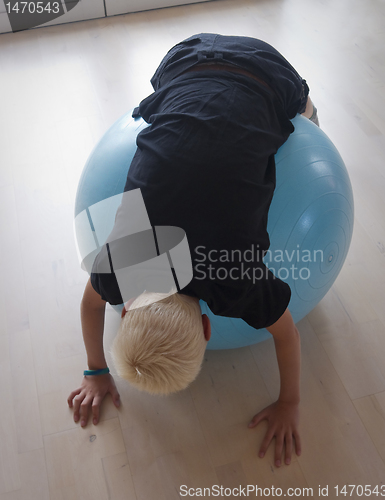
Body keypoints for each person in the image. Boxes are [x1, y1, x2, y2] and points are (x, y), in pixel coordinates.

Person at [68, 33, 320, 467]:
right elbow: (90, 306)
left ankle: (310, 111)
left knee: (308, 120)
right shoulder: (120, 265)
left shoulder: (237, 283)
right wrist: (95, 369)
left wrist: (290, 403)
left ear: (207, 327)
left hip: (268, 75)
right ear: (126, 311)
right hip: (185, 59)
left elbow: (287, 334)